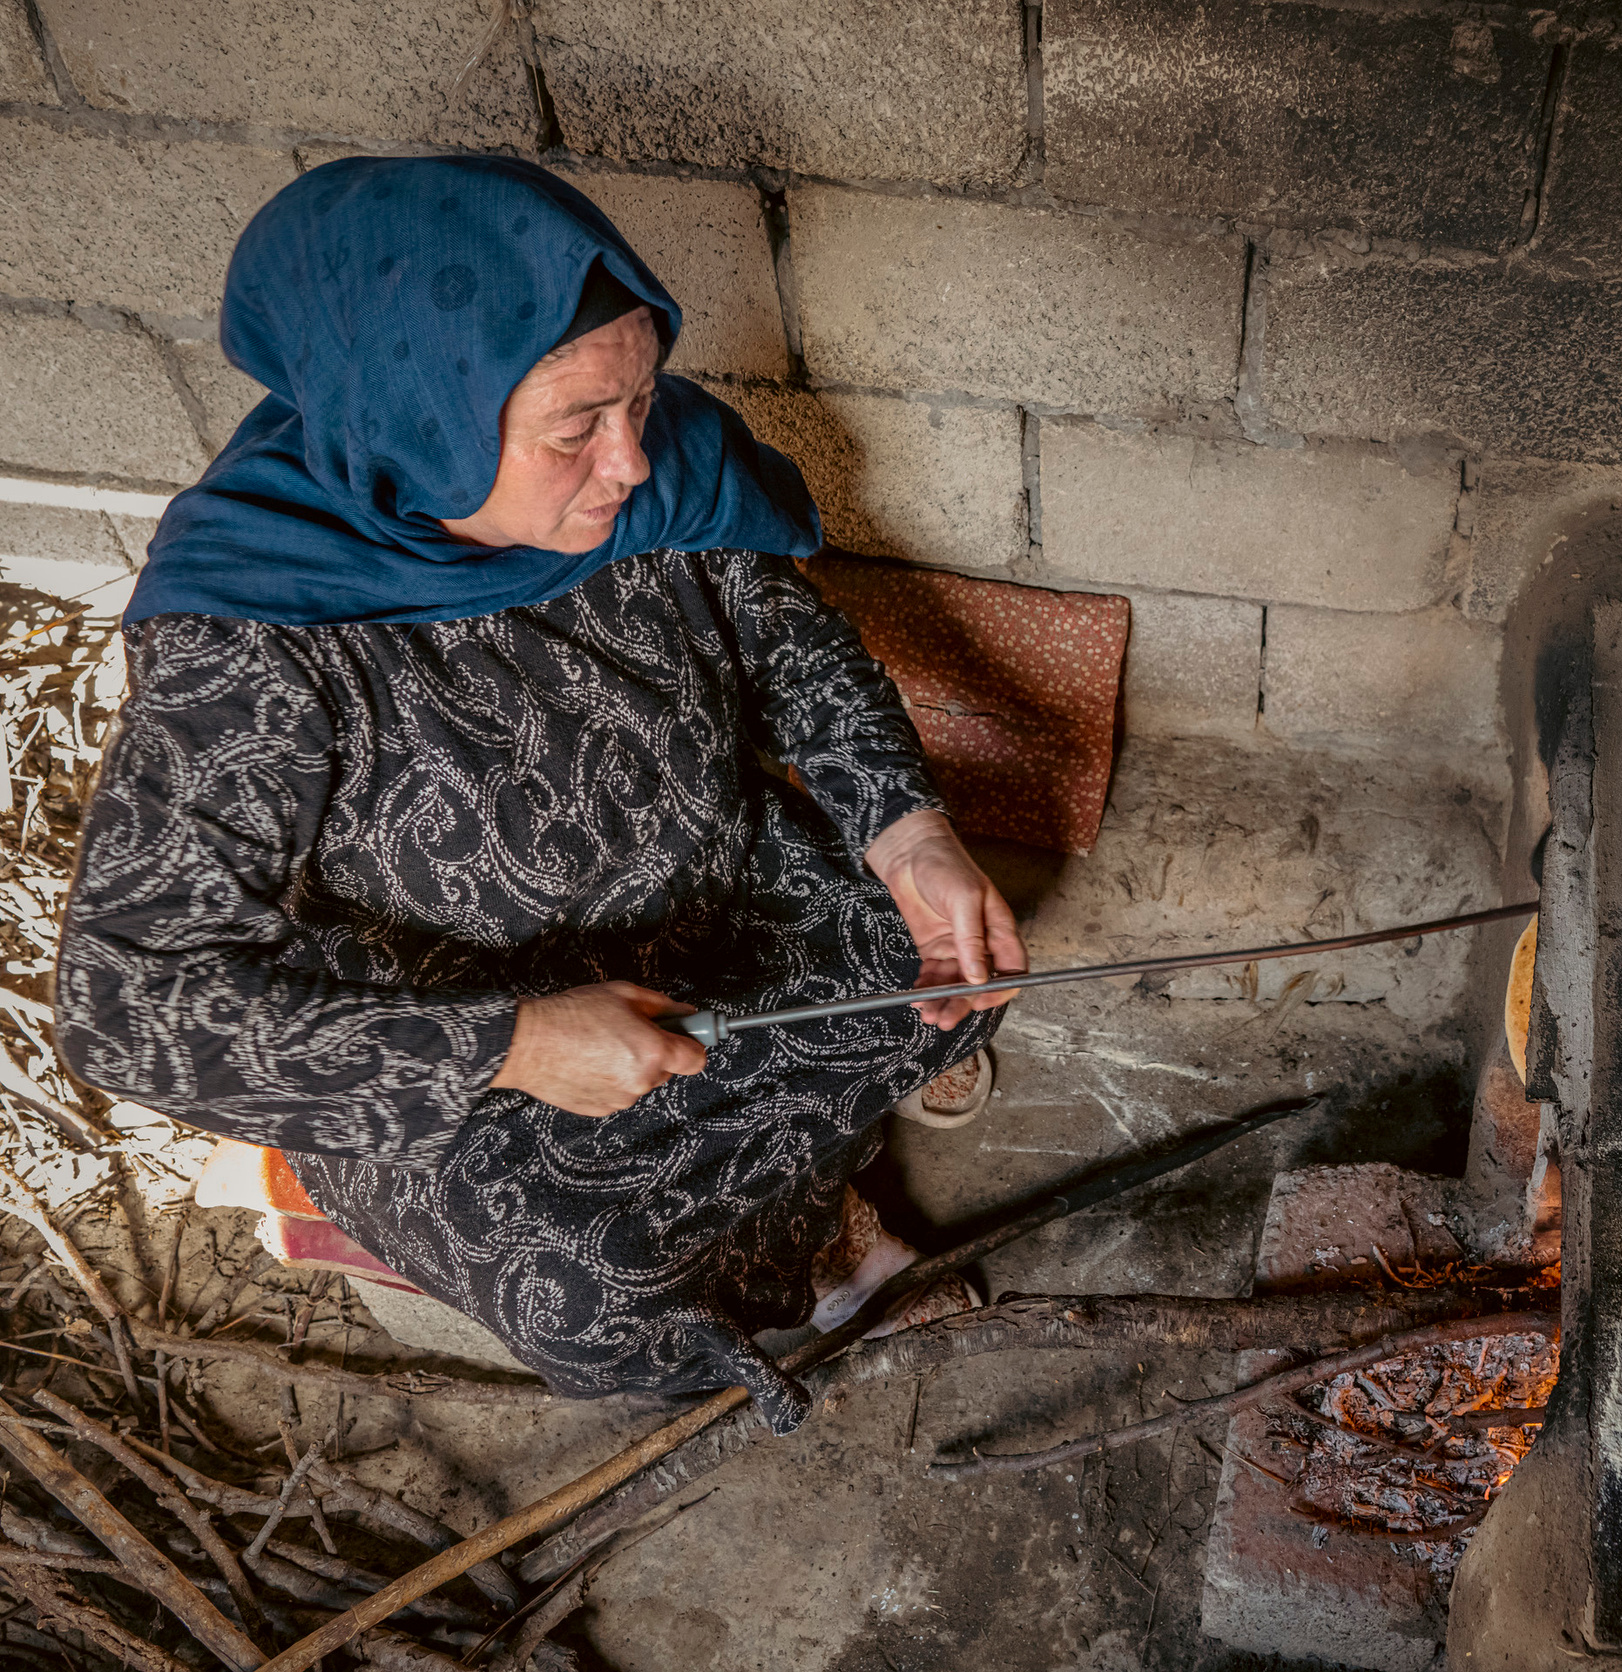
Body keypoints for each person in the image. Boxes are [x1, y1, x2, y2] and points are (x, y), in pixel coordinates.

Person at [53, 156, 1022, 1433]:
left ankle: (815, 1204)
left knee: (944, 973)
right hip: (474, 1022)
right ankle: (761, 1252)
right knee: (590, 1282)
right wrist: (508, 1044)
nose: (631, 458)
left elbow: (786, 639)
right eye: (577, 425)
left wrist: (909, 829)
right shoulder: (257, 622)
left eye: (642, 397)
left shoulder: (646, 472)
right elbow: (126, 1007)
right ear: (424, 415)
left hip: (720, 894)